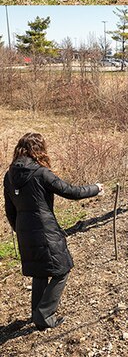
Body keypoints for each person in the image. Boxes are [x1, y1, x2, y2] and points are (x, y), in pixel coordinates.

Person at [4, 133, 102, 331]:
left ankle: (37, 315)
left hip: (24, 230)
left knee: (40, 272)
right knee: (62, 269)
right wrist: (96, 188)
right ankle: (44, 314)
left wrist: (19, 230)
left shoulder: (8, 176)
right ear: (38, 150)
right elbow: (71, 191)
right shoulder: (41, 173)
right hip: (45, 230)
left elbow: (9, 209)